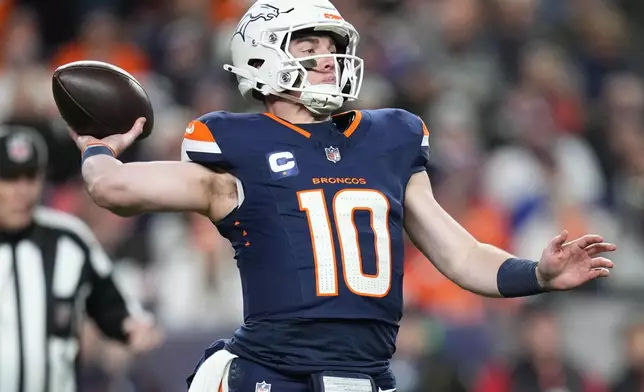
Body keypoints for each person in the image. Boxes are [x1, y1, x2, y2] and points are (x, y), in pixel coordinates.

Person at [67, 0, 617, 391]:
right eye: (307, 47)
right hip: (269, 374)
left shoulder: (389, 138)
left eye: (332, 46)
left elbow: (463, 255)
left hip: (368, 376)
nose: (327, 58)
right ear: (262, 58)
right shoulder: (238, 146)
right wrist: (98, 147)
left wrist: (537, 275)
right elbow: (113, 189)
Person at [0, 125, 163, 392]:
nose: (21, 190)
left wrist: (131, 327)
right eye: (9, 179)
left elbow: (110, 303)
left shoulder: (69, 240)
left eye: (29, 177)